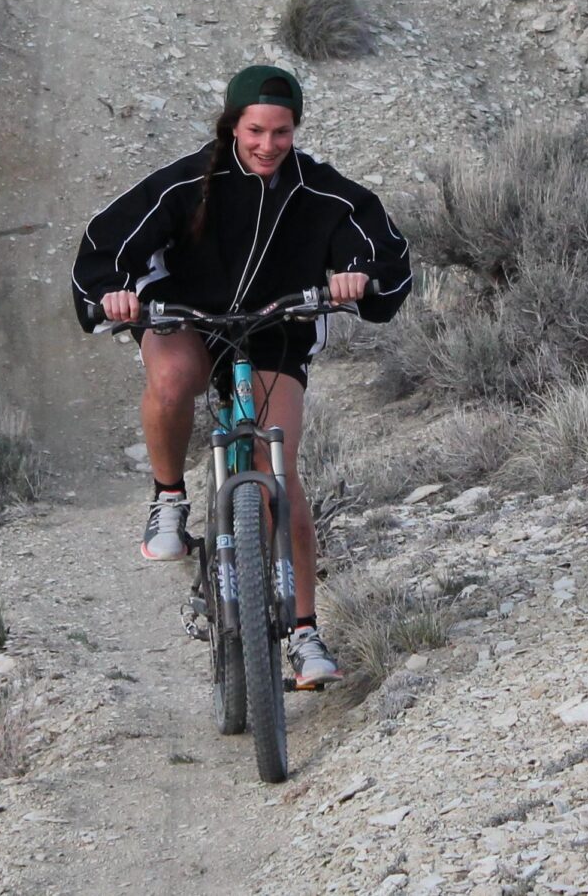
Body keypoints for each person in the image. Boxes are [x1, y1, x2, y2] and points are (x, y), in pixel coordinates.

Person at [72, 65, 412, 688]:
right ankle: (170, 499)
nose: (267, 144)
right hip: (188, 317)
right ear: (233, 125)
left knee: (278, 466)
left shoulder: (324, 193)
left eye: (281, 132)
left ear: (295, 131)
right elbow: (105, 241)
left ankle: (306, 634)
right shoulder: (189, 181)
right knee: (173, 379)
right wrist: (113, 293)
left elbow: (381, 248)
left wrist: (357, 277)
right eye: (255, 129)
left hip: (276, 330)